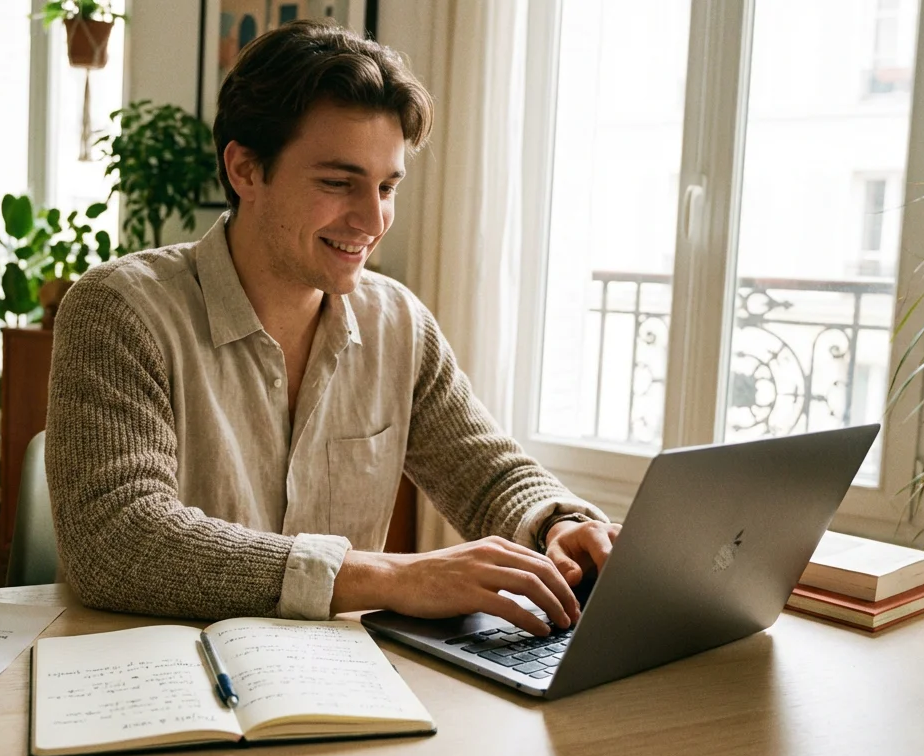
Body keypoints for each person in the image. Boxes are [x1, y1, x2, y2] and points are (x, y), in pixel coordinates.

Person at [47, 19, 621, 637]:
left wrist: (558, 523)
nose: (372, 220)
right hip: (157, 673)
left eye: (387, 186)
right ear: (245, 170)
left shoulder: (399, 324)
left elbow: (487, 474)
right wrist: (392, 577)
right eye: (338, 183)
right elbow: (116, 540)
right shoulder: (120, 310)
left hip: (336, 676)